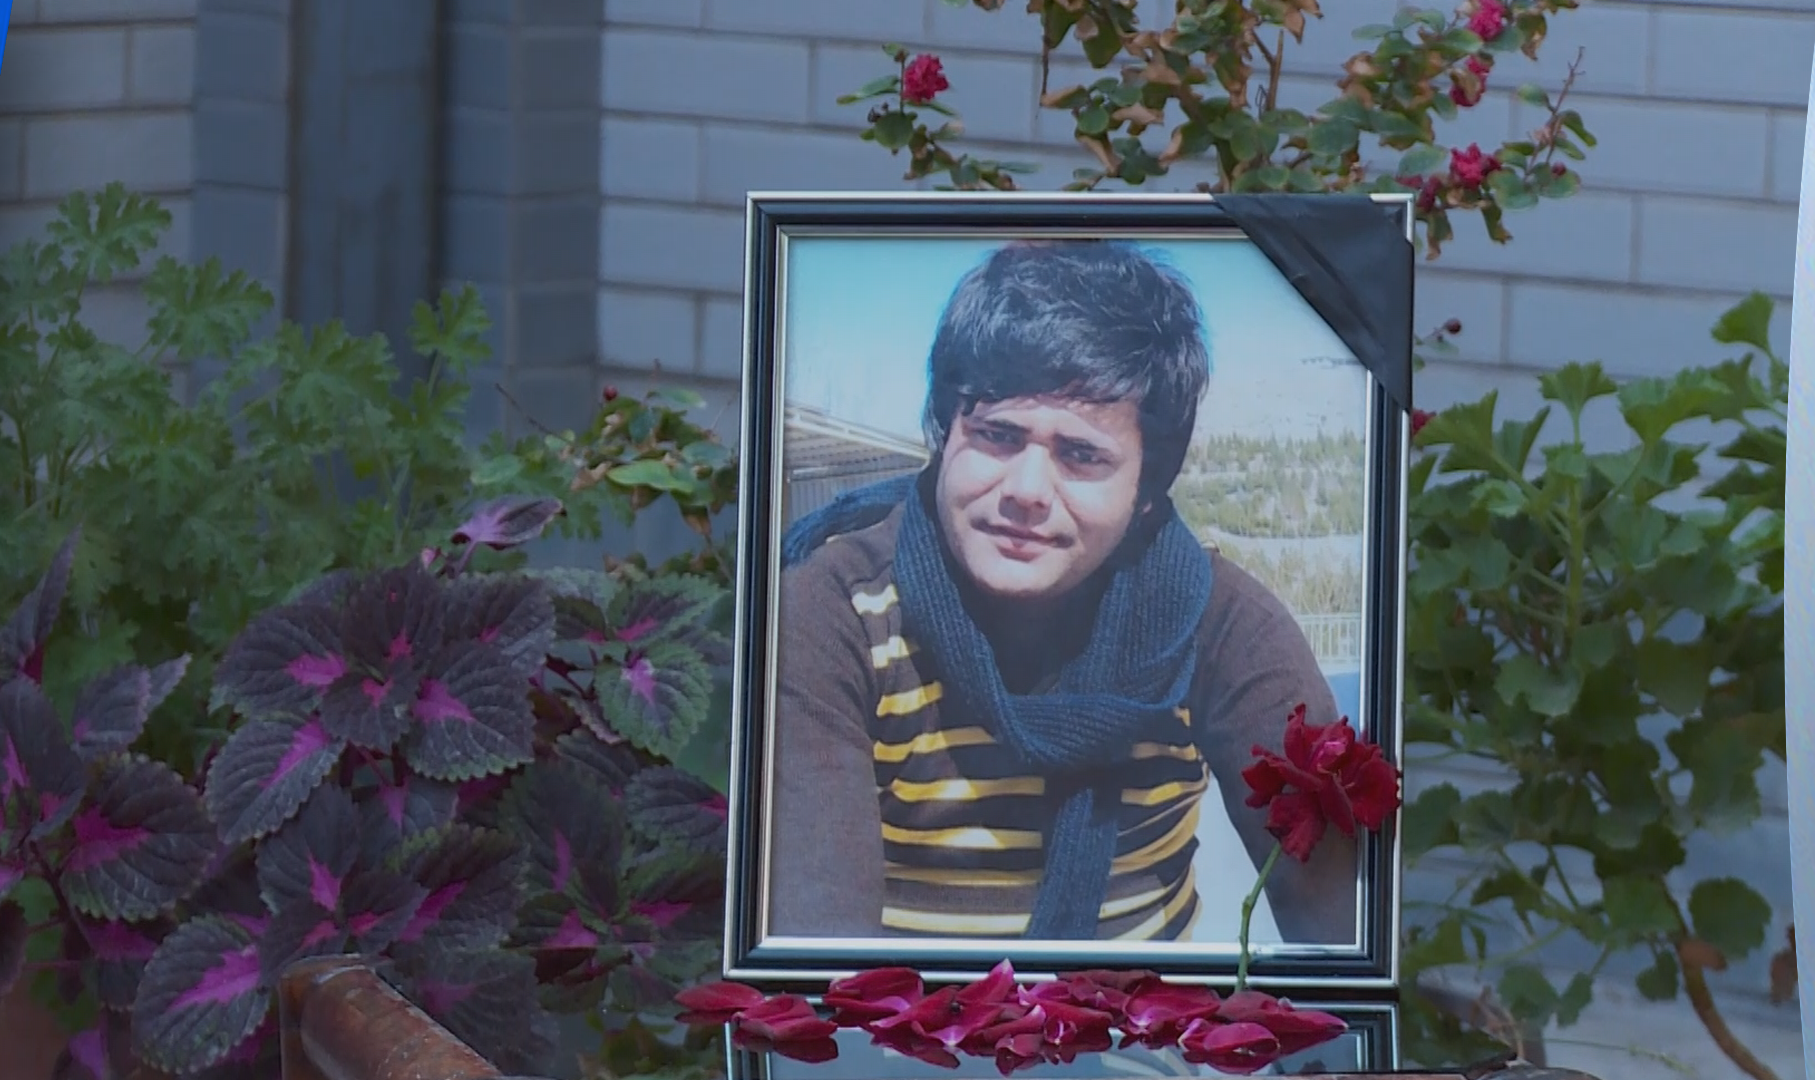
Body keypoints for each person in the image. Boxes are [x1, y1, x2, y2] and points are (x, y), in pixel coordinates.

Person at [768, 239, 1354, 944]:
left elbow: (1341, 929)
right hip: (894, 1044)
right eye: (996, 435)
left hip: (1144, 1045)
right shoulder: (828, 616)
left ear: (1145, 494)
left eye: (1081, 456)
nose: (1024, 491)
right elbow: (811, 954)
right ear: (943, 433)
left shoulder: (1217, 624)